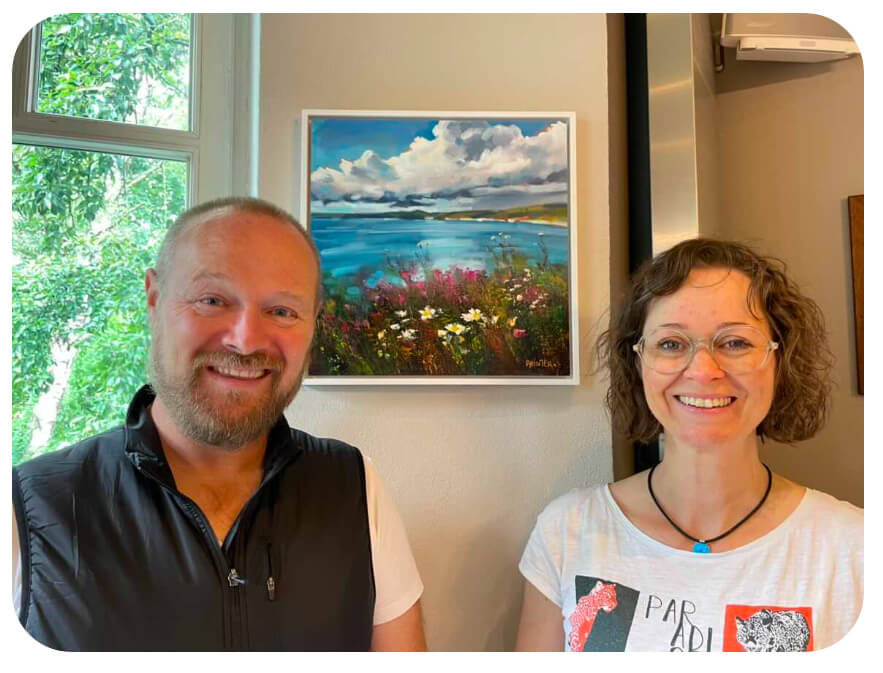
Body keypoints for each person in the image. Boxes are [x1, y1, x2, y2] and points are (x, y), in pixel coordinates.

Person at [12, 197, 426, 651]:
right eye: (212, 300)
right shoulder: (30, 507)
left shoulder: (354, 485)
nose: (246, 341)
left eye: (283, 311)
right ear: (154, 299)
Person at [515, 238, 862, 652]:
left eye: (735, 342)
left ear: (779, 361)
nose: (703, 370)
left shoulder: (856, 550)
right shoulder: (567, 532)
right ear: (638, 364)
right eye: (671, 344)